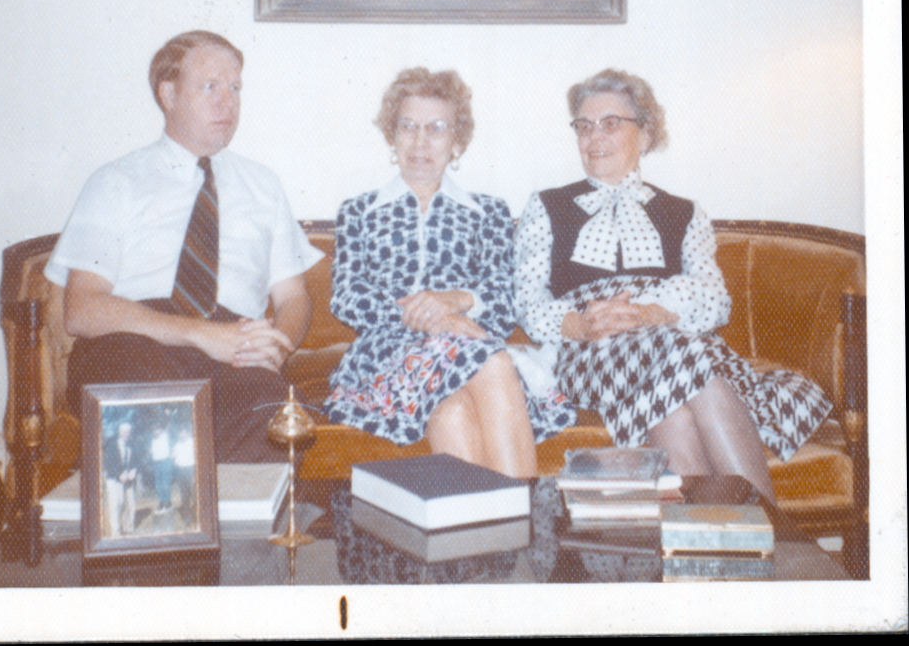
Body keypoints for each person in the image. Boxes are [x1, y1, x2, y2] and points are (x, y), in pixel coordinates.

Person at [514, 69, 833, 502]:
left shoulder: (684, 213)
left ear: (645, 134)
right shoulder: (547, 207)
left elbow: (715, 300)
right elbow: (528, 303)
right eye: (584, 126)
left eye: (610, 123)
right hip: (591, 353)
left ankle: (710, 536)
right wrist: (579, 324)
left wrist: (650, 313)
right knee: (699, 373)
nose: (594, 137)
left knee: (676, 414)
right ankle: (772, 528)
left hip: (669, 348)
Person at [45, 29, 324, 463]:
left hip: (234, 354)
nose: (227, 103)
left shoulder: (263, 186)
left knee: (282, 419)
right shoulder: (116, 182)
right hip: (134, 346)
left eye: (235, 88)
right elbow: (81, 309)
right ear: (169, 94)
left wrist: (276, 347)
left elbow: (293, 297)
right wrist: (200, 335)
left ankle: (221, 507)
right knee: (161, 408)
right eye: (210, 86)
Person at [323, 68, 576, 479]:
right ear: (392, 135)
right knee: (494, 362)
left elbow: (502, 304)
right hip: (390, 356)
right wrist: (431, 316)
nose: (420, 141)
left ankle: (491, 522)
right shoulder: (360, 211)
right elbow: (347, 296)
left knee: (453, 414)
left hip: (465, 349)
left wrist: (458, 300)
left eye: (436, 129)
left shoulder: (488, 212)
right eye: (408, 126)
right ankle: (526, 514)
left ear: (457, 140)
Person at [103, 421, 138, 537]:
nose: (127, 434)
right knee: (116, 505)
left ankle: (129, 529)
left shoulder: (132, 445)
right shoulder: (112, 445)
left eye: (129, 432)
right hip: (114, 480)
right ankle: (116, 532)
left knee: (129, 504)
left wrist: (134, 470)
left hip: (128, 479)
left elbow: (136, 461)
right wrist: (118, 475)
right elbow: (108, 464)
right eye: (124, 432)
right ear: (119, 432)